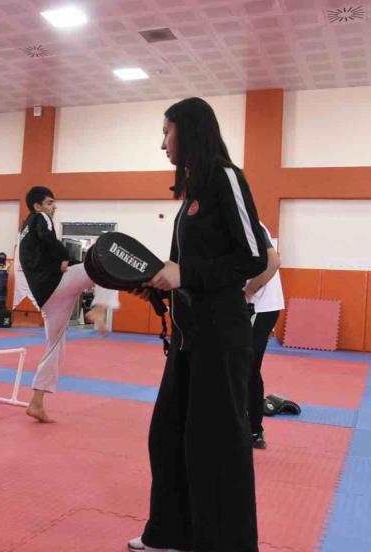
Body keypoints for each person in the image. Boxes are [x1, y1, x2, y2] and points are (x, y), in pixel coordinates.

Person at [128, 97, 268, 552]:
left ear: (188, 131)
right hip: (188, 338)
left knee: (217, 445)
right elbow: (187, 270)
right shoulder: (192, 193)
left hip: (221, 338)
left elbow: (254, 258)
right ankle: (172, 532)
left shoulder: (227, 178)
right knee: (168, 435)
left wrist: (184, 274)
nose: (162, 143)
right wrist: (159, 287)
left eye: (166, 132)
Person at [18, 186, 120, 423]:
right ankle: (100, 308)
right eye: (50, 202)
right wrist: (64, 257)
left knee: (55, 347)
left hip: (47, 299)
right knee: (107, 264)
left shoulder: (24, 230)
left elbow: (41, 253)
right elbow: (48, 239)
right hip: (56, 285)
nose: (54, 207)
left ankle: (36, 403)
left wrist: (66, 261)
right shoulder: (41, 218)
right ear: (37, 206)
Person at [244, 222, 283, 449]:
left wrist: (248, 293)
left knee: (248, 368)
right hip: (256, 308)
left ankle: (254, 430)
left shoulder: (247, 221)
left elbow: (273, 262)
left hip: (258, 306)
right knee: (238, 366)